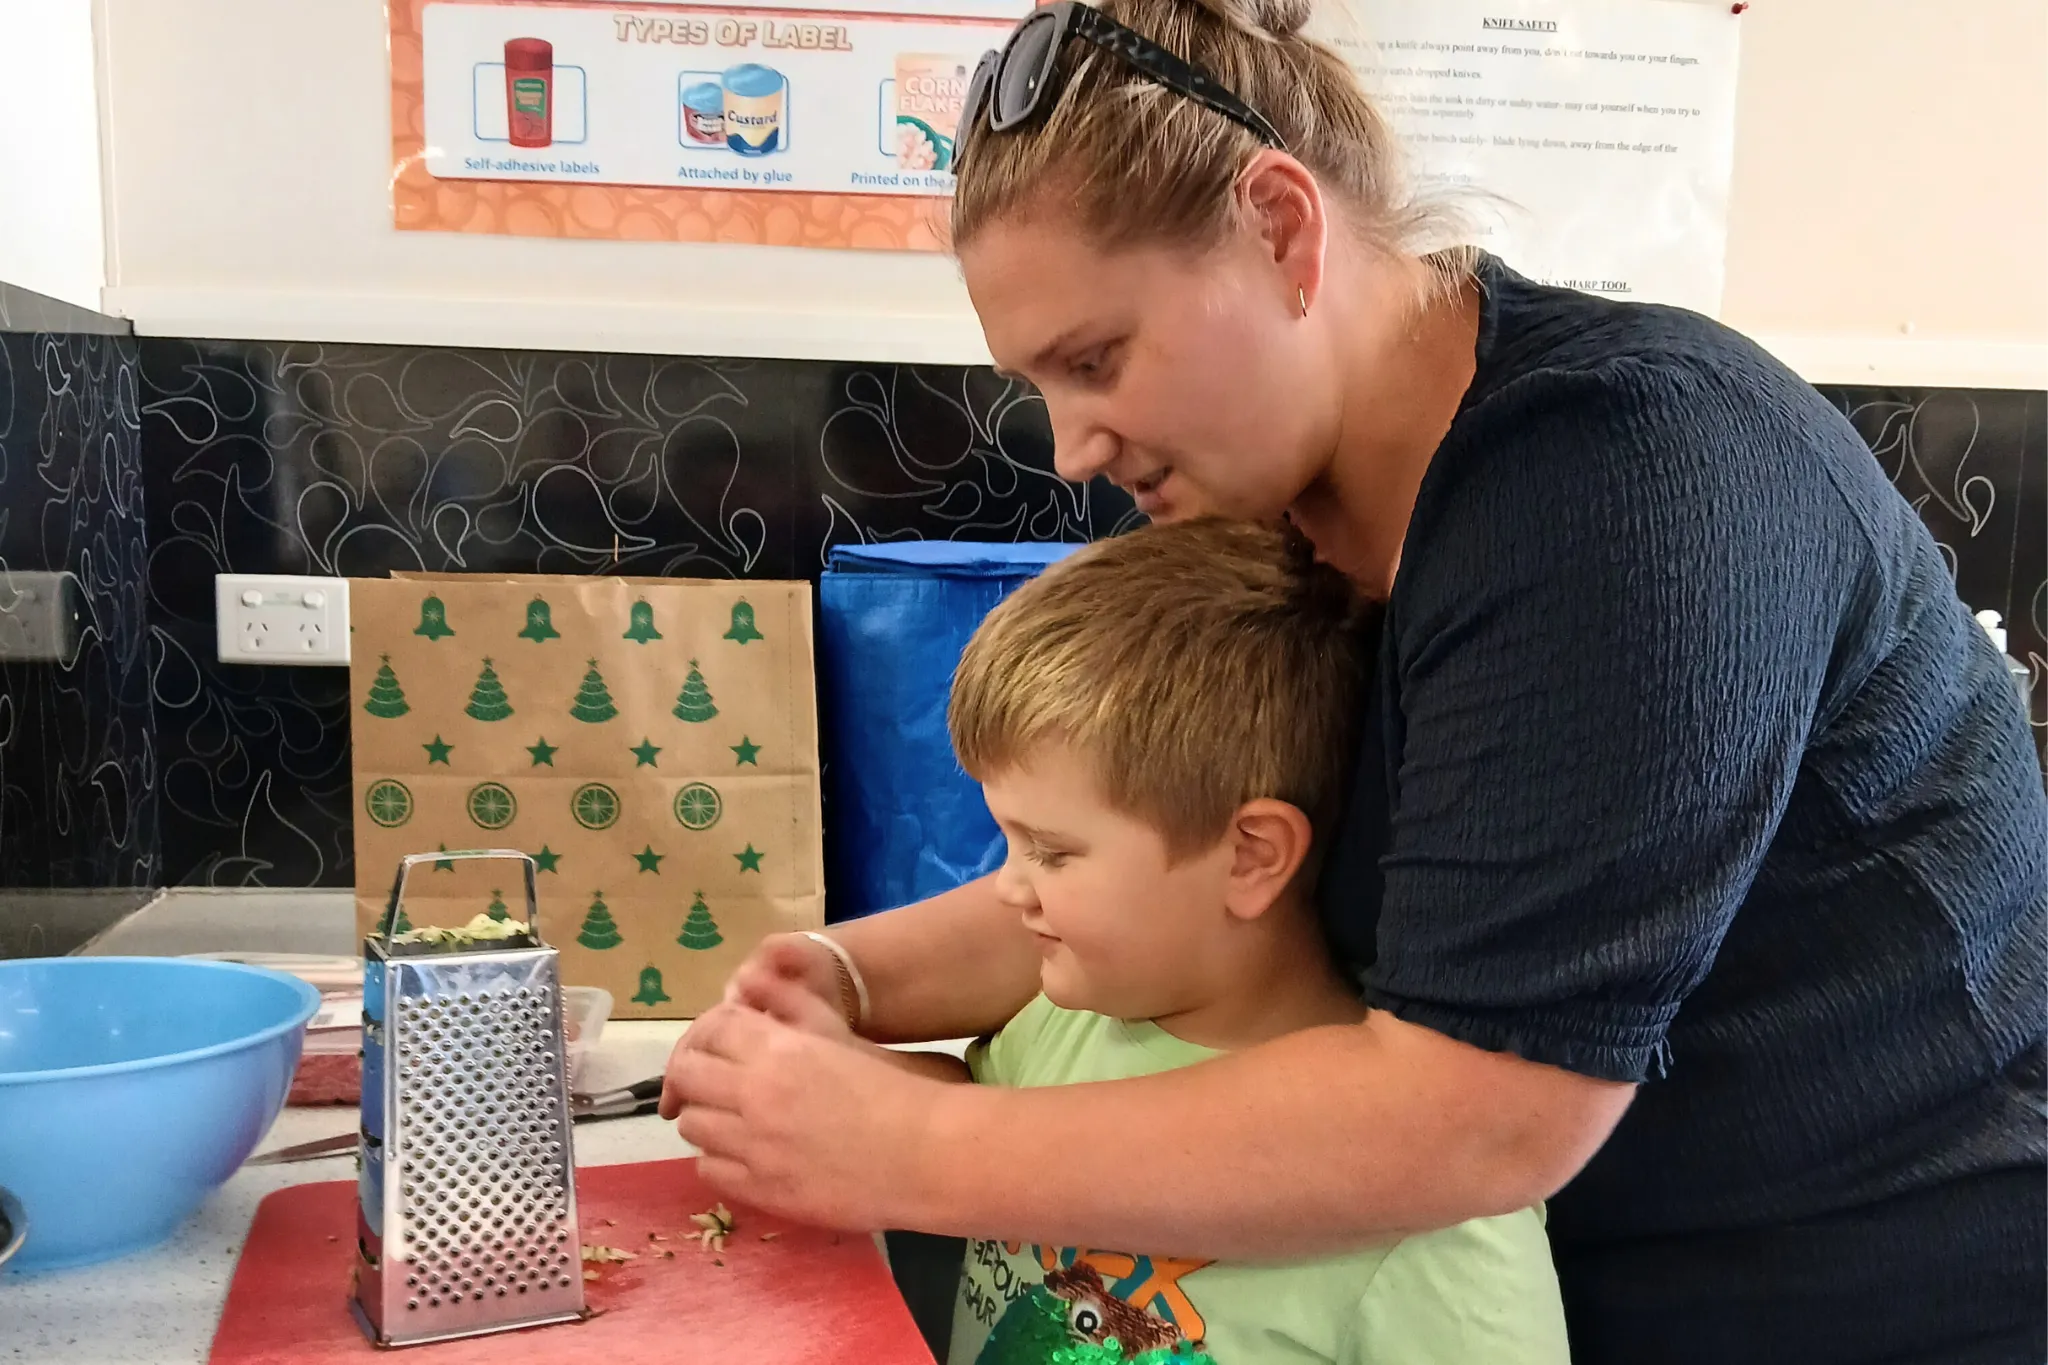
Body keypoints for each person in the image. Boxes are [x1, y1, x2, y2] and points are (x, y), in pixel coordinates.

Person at [659, 0, 2048, 1359]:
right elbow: (1167, 864)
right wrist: (840, 973)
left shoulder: (1631, 481)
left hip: (1883, 1292)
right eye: (1041, 384)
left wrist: (907, 1145)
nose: (1073, 443)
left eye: (1097, 359)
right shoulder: (1256, 501)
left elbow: (1480, 1113)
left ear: (1280, 229)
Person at [771, 517, 1572, 1364]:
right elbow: (976, 1099)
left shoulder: (1435, 1226)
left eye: (1052, 850)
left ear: (1250, 856)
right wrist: (814, 1069)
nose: (1009, 886)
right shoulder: (1066, 1016)